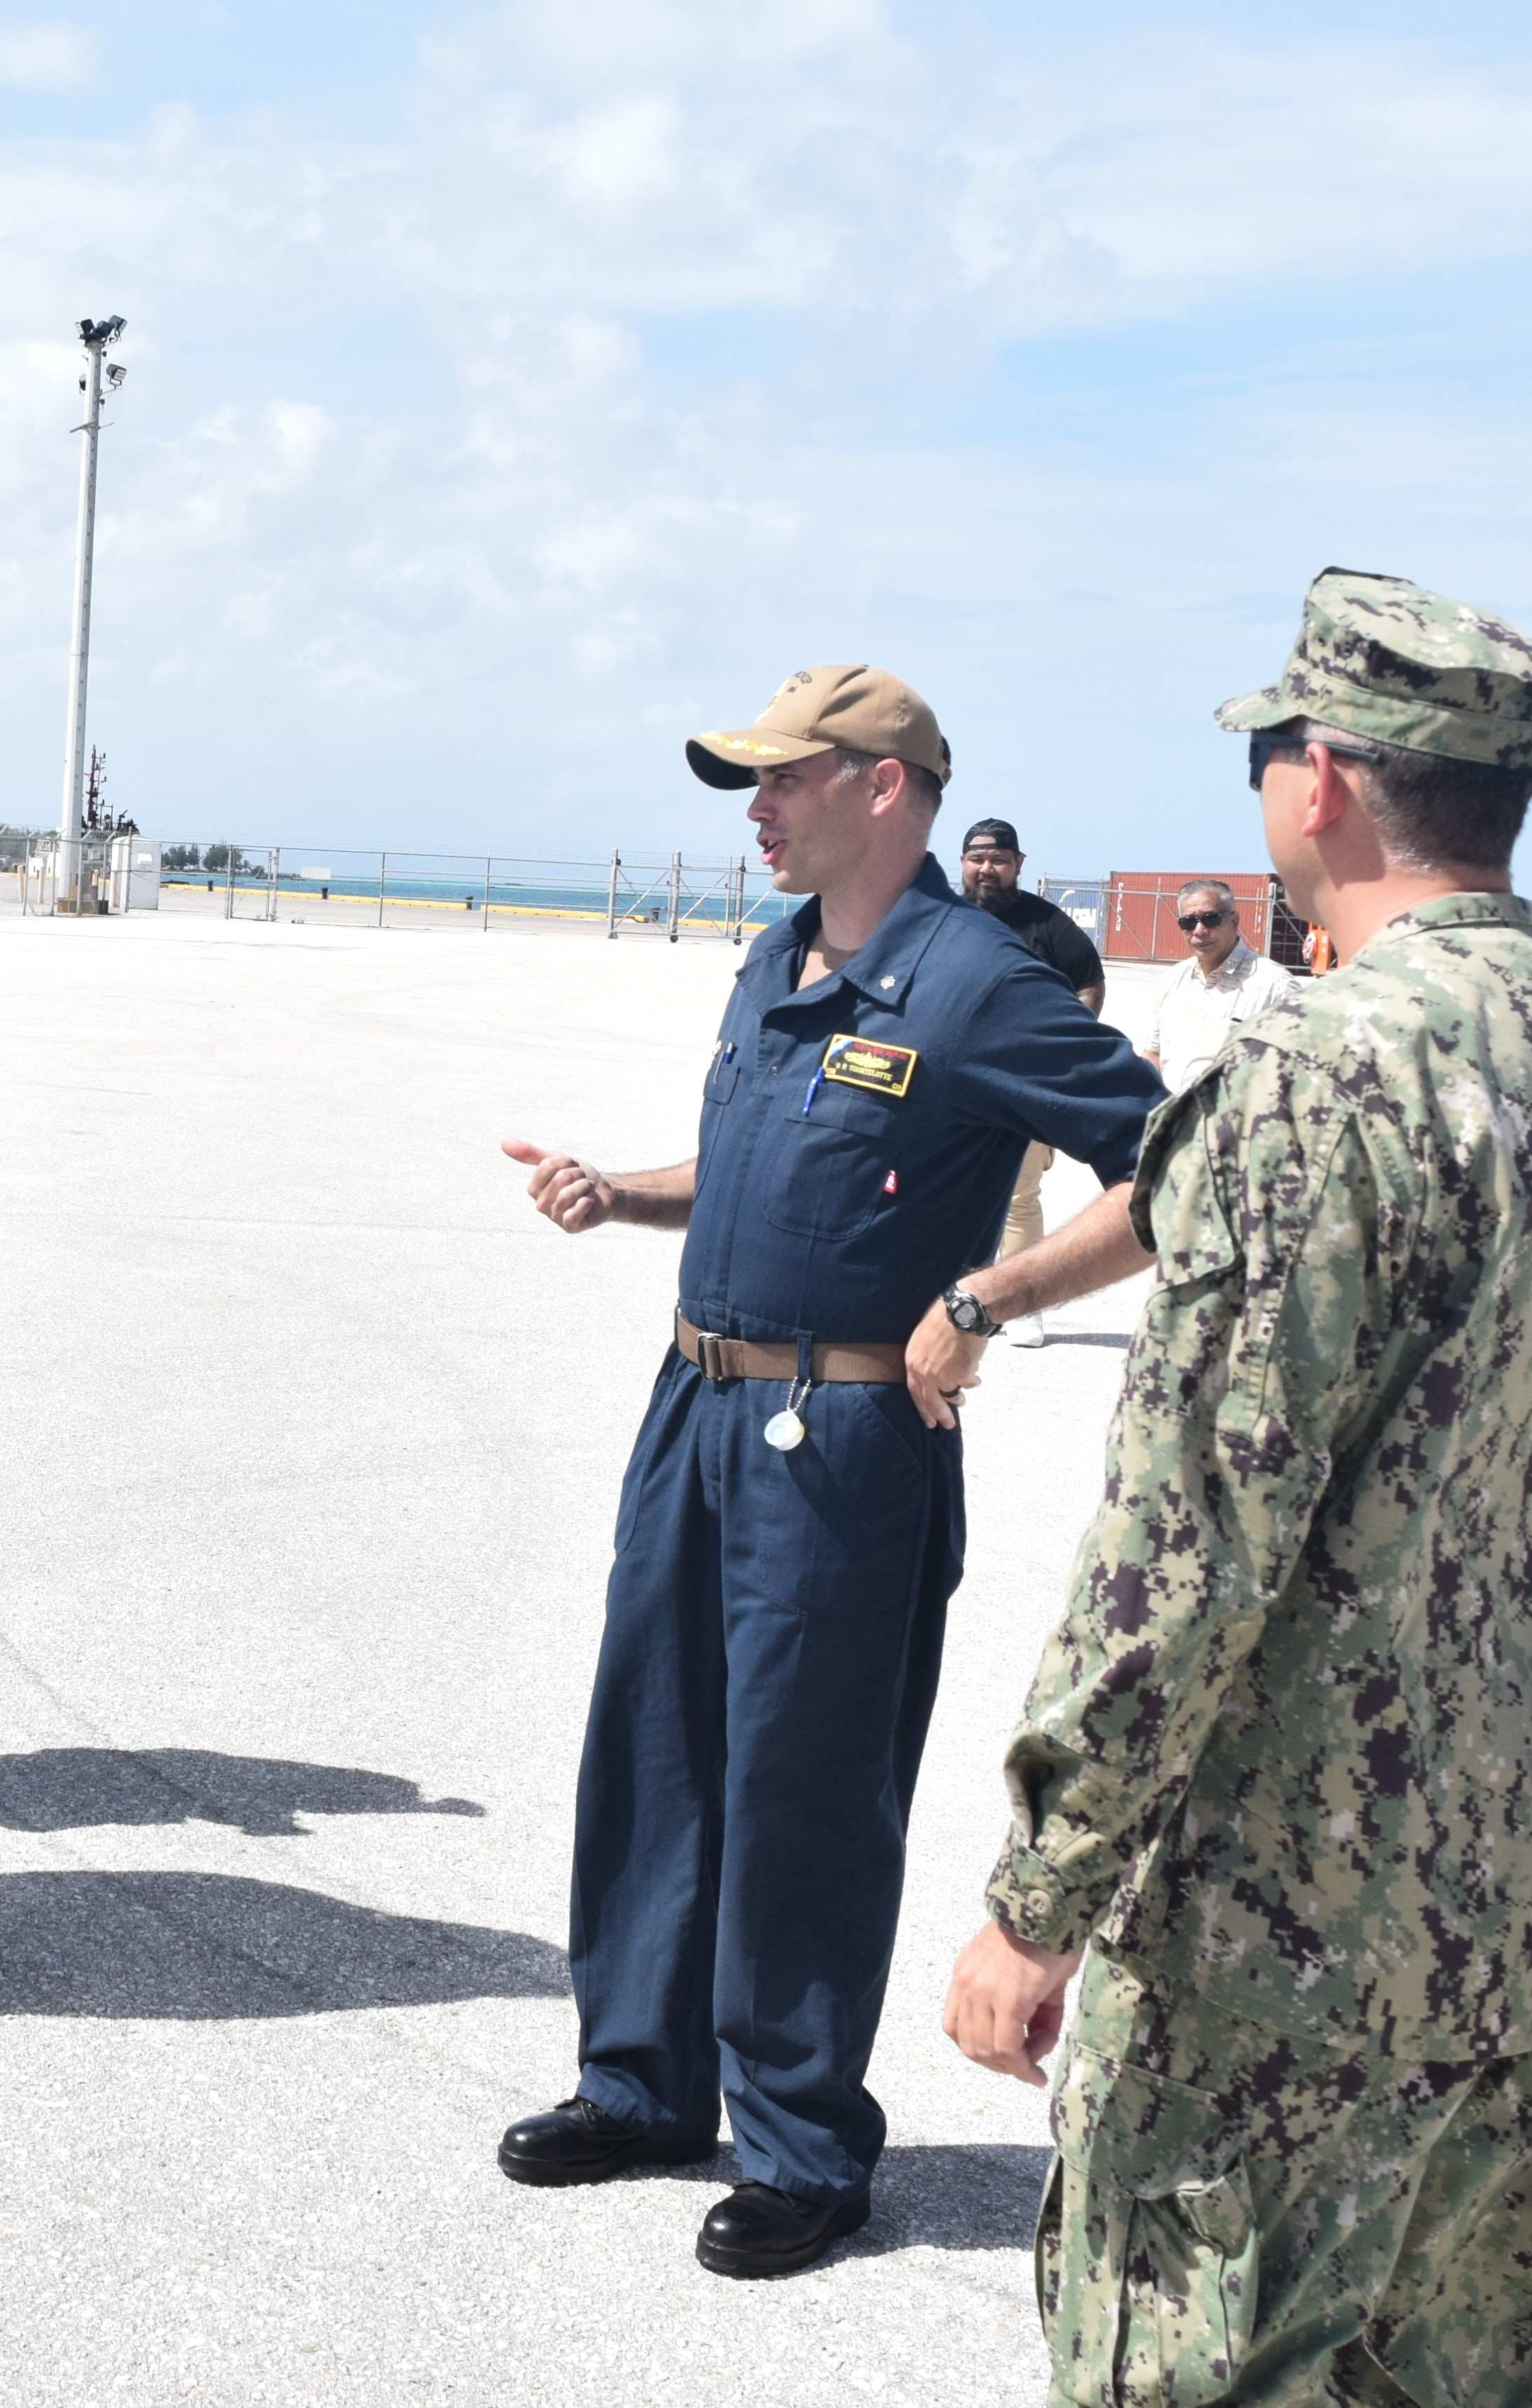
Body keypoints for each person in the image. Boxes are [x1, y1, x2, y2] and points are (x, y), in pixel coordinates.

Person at [937, 569, 1532, 2403]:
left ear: (1315, 781)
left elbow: (1180, 1562)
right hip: (1528, 1931)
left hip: (1267, 1964)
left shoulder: (1316, 1084)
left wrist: (1036, 1893)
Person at [494, 665, 1162, 2279]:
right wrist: (624, 1191)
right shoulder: (775, 955)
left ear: (884, 786)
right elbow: (745, 1154)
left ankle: (801, 2142)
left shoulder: (974, 978)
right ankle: (643, 2082)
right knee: (651, 1750)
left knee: (802, 1782)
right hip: (697, 1403)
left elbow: (1178, 1162)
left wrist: (985, 1297)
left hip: (845, 1434)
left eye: (783, 778)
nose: (756, 807)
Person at [951, 818, 1103, 1348]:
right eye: (977, 858)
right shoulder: (940, 917)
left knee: (1018, 1195)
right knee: (941, 1188)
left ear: (1018, 864)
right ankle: (945, 1293)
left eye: (998, 859)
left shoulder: (1047, 922)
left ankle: (1019, 1305)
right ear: (963, 862)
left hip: (1024, 1083)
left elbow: (1089, 981)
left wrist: (1066, 1051)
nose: (986, 868)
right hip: (949, 1079)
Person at [1139, 876, 1294, 1081]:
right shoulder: (1172, 981)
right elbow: (1153, 1055)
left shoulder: (1274, 985)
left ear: (1234, 921)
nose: (1199, 931)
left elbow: (1300, 1068)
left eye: (1210, 919)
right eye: (1188, 923)